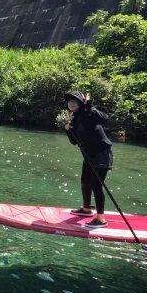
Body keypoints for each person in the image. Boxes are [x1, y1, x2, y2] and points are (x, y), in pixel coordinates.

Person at [63, 90, 113, 228]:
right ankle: (87, 209)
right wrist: (67, 130)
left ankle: (101, 219)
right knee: (85, 181)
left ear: (81, 103)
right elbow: (74, 141)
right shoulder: (75, 118)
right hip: (89, 155)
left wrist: (90, 106)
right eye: (69, 101)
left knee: (96, 185)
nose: (71, 103)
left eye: (75, 101)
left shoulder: (89, 113)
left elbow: (105, 119)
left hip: (101, 153)